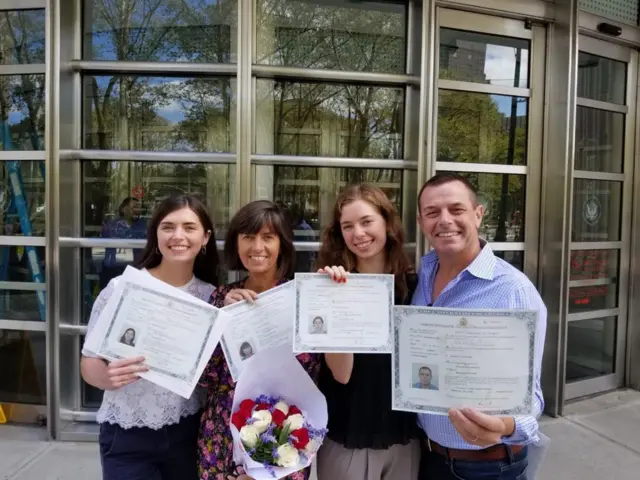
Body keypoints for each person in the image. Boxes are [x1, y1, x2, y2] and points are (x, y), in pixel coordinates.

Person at [412, 173, 547, 480]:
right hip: (427, 457)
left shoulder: (512, 290)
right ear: (422, 222)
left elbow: (531, 397)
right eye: (433, 213)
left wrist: (506, 427)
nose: (445, 220)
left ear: (478, 214)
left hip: (487, 467)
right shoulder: (423, 273)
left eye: (456, 209)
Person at [80, 194, 219, 480]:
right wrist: (106, 377)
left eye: (189, 227)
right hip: (127, 433)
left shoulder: (212, 298)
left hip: (188, 432)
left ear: (205, 237)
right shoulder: (122, 289)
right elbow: (89, 363)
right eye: (168, 227)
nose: (178, 236)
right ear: (155, 234)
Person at [198, 200, 320, 480]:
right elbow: (205, 378)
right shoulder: (220, 298)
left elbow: (310, 375)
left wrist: (268, 460)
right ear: (236, 243)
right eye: (248, 237)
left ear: (283, 244)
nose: (257, 247)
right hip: (222, 437)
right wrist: (224, 319)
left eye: (268, 237)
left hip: (284, 438)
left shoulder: (301, 299)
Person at [314, 184, 421, 480]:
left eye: (366, 222)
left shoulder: (415, 286)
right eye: (347, 226)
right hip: (348, 432)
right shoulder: (331, 284)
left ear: (387, 222)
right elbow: (342, 374)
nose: (358, 234)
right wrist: (335, 304)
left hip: (404, 434)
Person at [99, 197, 147, 288]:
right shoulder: (112, 225)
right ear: (123, 209)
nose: (137, 210)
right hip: (114, 268)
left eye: (138, 208)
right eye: (134, 207)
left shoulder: (143, 225)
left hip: (135, 268)